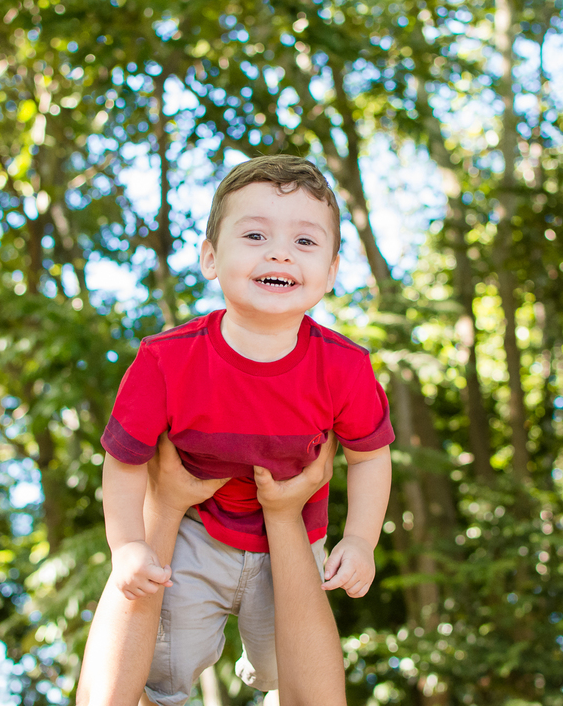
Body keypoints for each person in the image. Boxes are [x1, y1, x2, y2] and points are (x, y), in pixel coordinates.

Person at [91, 156, 394, 705]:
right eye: (255, 234)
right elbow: (125, 460)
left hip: (295, 539)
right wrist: (128, 545)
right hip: (195, 534)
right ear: (210, 257)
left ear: (330, 272)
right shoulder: (166, 360)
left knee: (289, 666)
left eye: (305, 242)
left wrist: (360, 539)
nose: (279, 252)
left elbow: (370, 456)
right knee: (169, 660)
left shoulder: (344, 367)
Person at [76, 435, 346, 706]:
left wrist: (163, 507)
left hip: (206, 524)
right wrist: (285, 515)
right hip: (209, 530)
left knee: (271, 667)